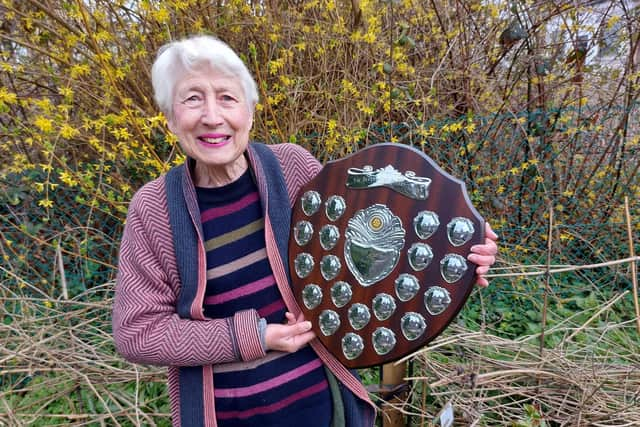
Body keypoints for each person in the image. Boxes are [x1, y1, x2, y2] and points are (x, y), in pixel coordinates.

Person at [112, 35, 499, 427]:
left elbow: (364, 254)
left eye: (227, 98)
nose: (212, 116)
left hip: (325, 408)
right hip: (222, 416)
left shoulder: (292, 168)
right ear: (170, 118)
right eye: (192, 99)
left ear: (249, 111)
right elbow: (138, 332)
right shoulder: (156, 208)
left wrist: (456, 258)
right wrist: (254, 336)